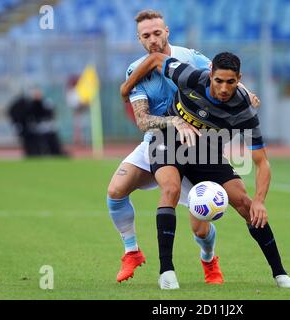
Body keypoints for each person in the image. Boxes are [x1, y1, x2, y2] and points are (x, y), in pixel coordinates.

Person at [121, 51, 290, 289]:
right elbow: (155, 59)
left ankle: (280, 274)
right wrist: (127, 88)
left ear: (239, 79)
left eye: (231, 82)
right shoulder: (191, 77)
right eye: (218, 80)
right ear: (211, 74)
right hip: (167, 140)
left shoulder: (244, 111)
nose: (224, 88)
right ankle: (166, 271)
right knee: (171, 190)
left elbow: (262, 162)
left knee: (246, 204)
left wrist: (260, 200)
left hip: (207, 150)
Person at [107, 10, 260, 285]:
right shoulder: (136, 70)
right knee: (115, 191)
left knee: (200, 228)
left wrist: (246, 92)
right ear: (139, 38)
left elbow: (221, 74)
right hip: (157, 143)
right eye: (146, 36)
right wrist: (173, 121)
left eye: (157, 33)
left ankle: (209, 259)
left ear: (166, 31)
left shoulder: (190, 57)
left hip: (196, 148)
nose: (153, 40)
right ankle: (132, 252)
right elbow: (143, 121)